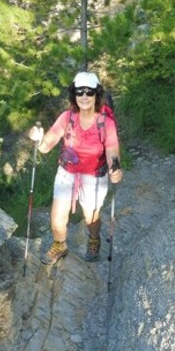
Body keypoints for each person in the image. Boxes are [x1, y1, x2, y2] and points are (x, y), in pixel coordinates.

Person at [29, 71, 123, 264]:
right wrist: (38, 140)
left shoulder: (106, 123)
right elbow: (46, 146)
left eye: (89, 92)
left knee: (91, 218)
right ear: (74, 95)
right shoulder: (67, 118)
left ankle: (94, 239)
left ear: (97, 94)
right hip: (67, 173)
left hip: (94, 176)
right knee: (56, 219)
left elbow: (112, 151)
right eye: (80, 92)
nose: (84, 96)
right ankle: (60, 244)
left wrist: (116, 169)